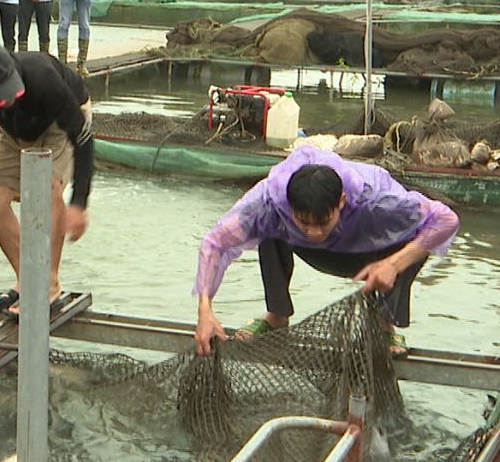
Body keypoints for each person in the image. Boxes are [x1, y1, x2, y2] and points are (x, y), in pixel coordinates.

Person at [192, 146, 460, 356]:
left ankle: (384, 323)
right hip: (312, 253)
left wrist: (393, 264)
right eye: (304, 222)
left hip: (372, 255)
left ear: (341, 202)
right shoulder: (269, 202)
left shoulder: (377, 200)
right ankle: (277, 314)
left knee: (419, 235)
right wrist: (205, 311)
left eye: (323, 221)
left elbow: (446, 220)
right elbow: (215, 242)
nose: (315, 231)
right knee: (268, 230)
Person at [0, 43, 94, 315]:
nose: (10, 97)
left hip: (60, 123)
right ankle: (27, 280)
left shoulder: (41, 76)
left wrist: (79, 202)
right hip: (14, 130)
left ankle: (49, 284)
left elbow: (83, 138)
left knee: (46, 189)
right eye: (1, 94)